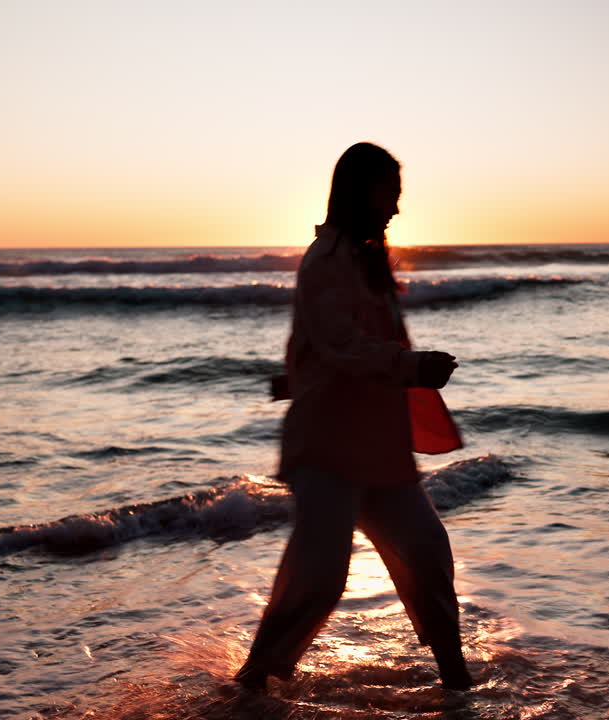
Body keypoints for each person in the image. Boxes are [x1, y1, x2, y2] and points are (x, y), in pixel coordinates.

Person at [234, 142, 473, 693]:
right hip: (326, 450)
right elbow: (344, 346)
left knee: (427, 553)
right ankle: (252, 684)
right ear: (359, 191)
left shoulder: (369, 260)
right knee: (318, 579)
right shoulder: (325, 263)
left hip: (379, 447)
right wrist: (413, 366)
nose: (395, 209)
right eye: (389, 194)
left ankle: (457, 682)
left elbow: (332, 347)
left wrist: (298, 375)